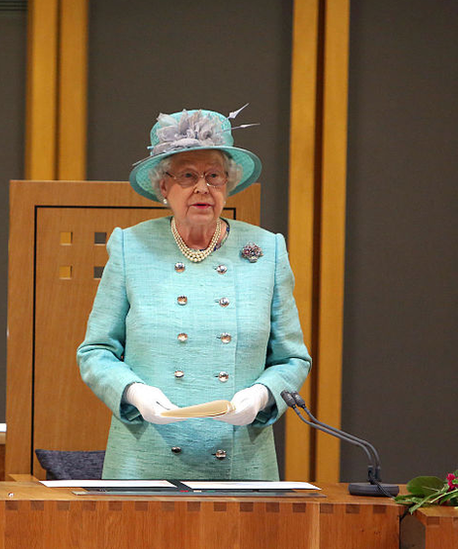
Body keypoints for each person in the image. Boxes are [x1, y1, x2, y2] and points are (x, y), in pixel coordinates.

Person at [77, 107, 311, 480]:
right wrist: (133, 391)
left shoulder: (268, 250)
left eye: (214, 175)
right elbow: (96, 352)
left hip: (240, 461)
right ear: (163, 186)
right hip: (145, 458)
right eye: (188, 175)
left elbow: (292, 359)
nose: (203, 188)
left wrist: (262, 396)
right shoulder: (129, 246)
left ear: (228, 184)